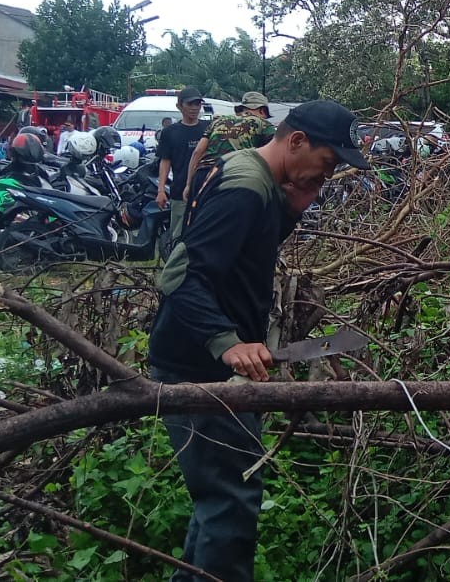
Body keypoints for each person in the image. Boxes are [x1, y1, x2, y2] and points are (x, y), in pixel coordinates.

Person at [147, 100, 370, 582]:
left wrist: (289, 212)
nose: (327, 174)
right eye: (327, 161)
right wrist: (226, 342)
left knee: (220, 495)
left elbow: (240, 253)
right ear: (297, 141)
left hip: (206, 362)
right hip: (198, 366)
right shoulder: (246, 189)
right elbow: (181, 277)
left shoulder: (256, 176)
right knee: (231, 499)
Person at [182, 92, 275, 203]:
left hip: (203, 174)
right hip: (233, 175)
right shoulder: (264, 124)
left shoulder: (218, 121)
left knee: (195, 213)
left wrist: (188, 184)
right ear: (262, 111)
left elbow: (197, 152)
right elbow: (274, 155)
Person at [155, 88, 211, 244]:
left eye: (197, 104)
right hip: (180, 193)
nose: (194, 108)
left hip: (206, 191)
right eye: (190, 104)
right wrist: (161, 190)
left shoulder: (209, 128)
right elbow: (165, 161)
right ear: (179, 106)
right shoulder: (170, 132)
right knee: (178, 238)